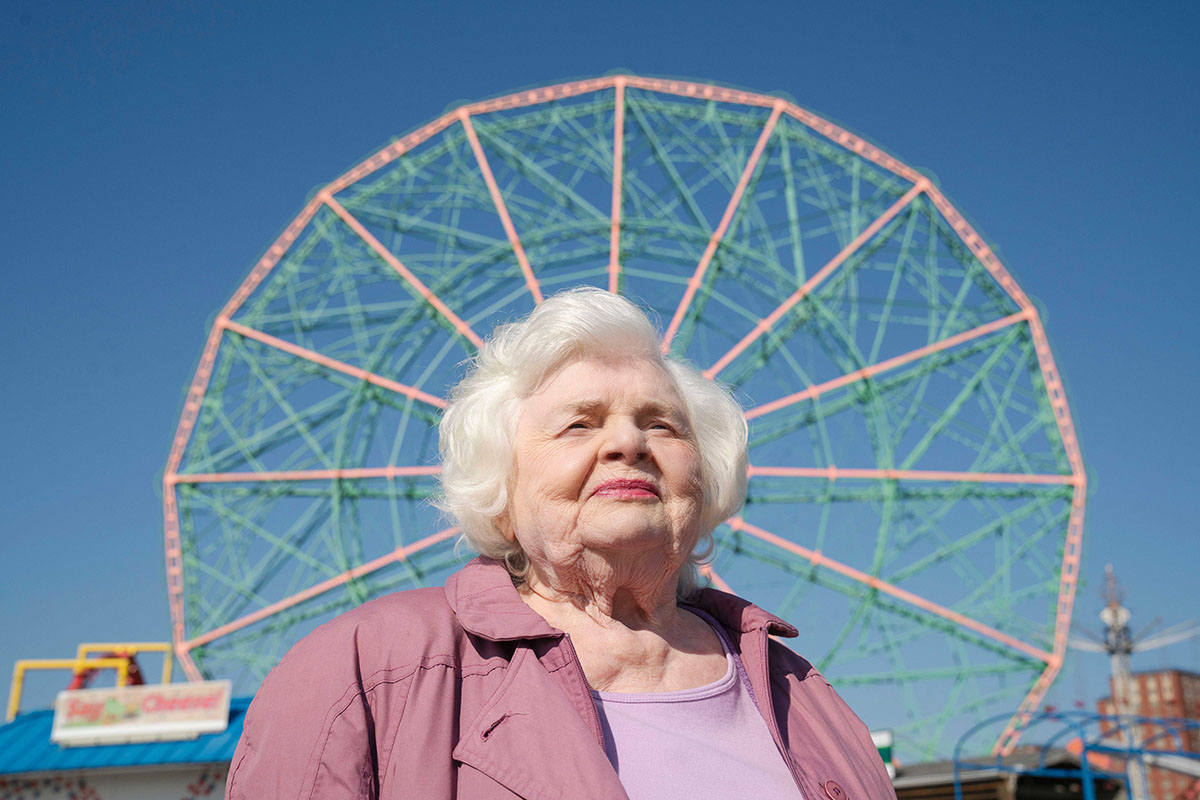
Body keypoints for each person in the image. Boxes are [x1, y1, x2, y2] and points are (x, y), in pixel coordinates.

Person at [225, 288, 896, 800]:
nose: (627, 443)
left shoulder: (806, 697)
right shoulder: (368, 674)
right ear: (501, 486)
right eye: (579, 424)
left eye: (662, 425)